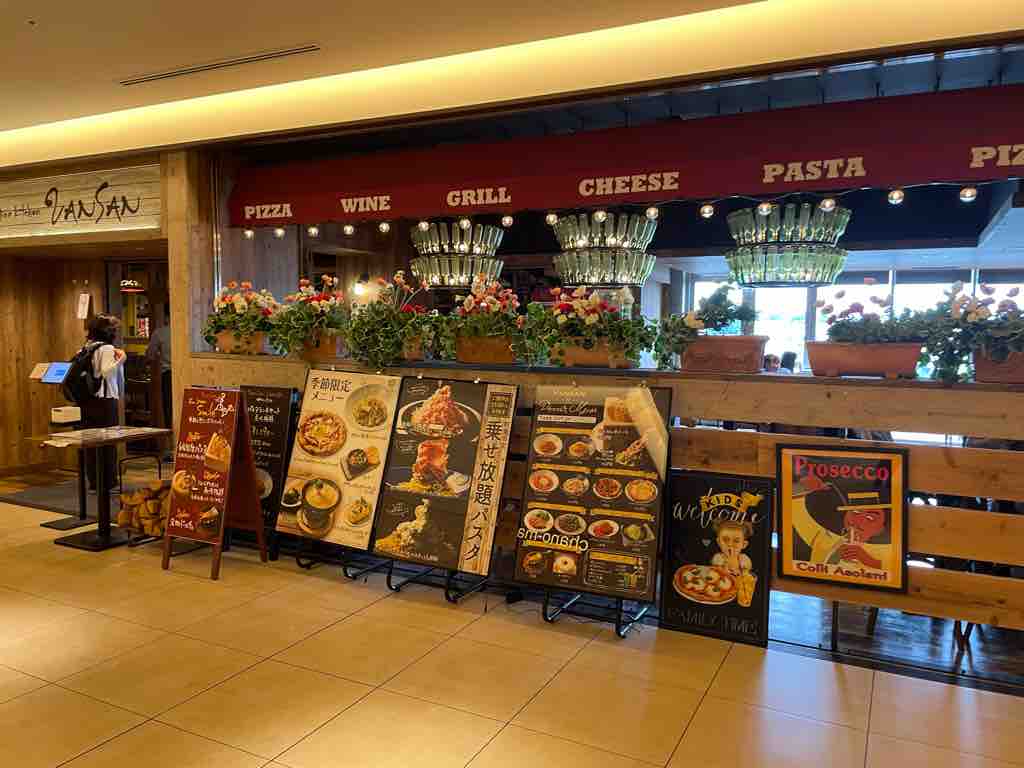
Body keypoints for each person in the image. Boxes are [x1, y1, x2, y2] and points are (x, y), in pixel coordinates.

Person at [81, 314, 127, 492]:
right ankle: (109, 482)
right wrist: (121, 359)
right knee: (108, 442)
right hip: (105, 401)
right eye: (114, 328)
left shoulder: (86, 347)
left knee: (92, 443)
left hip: (88, 401)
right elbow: (107, 372)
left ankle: (94, 482)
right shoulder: (107, 348)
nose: (116, 331)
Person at [146, 304, 173, 430]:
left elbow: (150, 355)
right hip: (188, 374)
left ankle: (169, 435)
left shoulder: (160, 333)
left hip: (168, 374)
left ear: (166, 317)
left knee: (168, 407)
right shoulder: (188, 331)